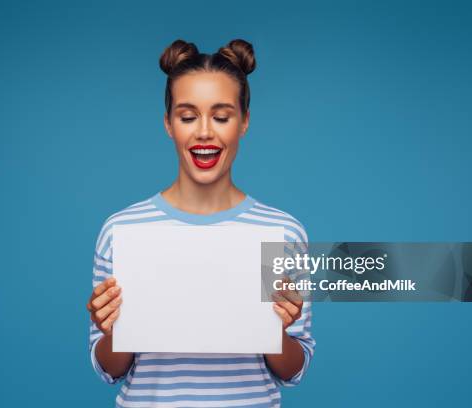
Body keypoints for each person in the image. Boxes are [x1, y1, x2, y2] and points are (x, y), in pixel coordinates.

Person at [86, 38, 315, 407]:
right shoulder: (121, 231)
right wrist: (111, 330)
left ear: (244, 122)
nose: (204, 131)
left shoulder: (284, 233)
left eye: (222, 116)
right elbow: (109, 368)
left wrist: (277, 330)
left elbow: (294, 368)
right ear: (168, 124)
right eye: (188, 116)